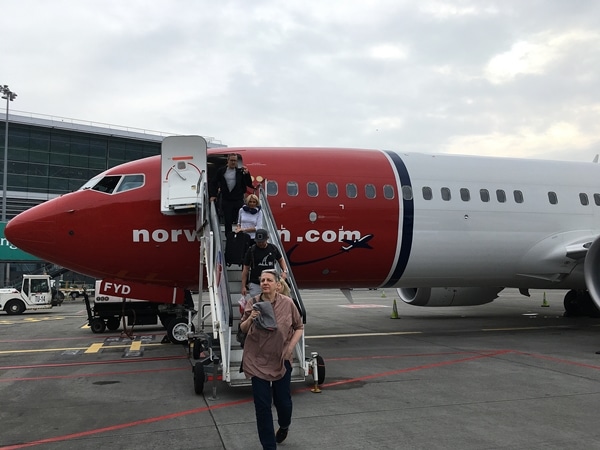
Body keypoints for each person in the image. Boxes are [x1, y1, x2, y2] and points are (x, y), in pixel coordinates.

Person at [240, 268, 304, 449]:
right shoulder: (253, 303)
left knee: (283, 401)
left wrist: (290, 348)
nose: (265, 283)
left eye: (269, 280)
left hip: (281, 358)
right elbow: (243, 328)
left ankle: (284, 425)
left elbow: (299, 327)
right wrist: (251, 318)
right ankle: (269, 446)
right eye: (262, 280)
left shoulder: (288, 303)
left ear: (277, 284)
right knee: (262, 406)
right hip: (256, 359)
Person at [209, 153, 253, 235]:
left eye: (235, 161)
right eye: (232, 160)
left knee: (240, 219)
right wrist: (213, 195)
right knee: (227, 220)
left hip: (238, 199)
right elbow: (213, 182)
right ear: (228, 160)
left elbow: (249, 183)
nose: (233, 162)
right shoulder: (221, 171)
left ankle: (240, 235)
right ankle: (229, 236)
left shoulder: (240, 172)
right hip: (227, 199)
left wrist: (247, 174)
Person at [241, 229, 288, 298]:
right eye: (258, 242)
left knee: (271, 301)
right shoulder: (251, 250)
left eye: (262, 242)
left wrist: (284, 271)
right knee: (257, 304)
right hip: (255, 283)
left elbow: (281, 260)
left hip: (271, 282)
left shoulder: (273, 248)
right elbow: (246, 269)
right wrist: (243, 286)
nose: (260, 244)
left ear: (267, 239)